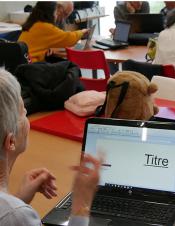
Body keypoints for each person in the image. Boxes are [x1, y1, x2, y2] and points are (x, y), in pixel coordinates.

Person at [0, 69, 101, 225]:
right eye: (23, 112)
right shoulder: (17, 217)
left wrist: (19, 199)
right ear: (11, 142)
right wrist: (82, 202)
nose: (27, 113)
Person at [19, 1, 88, 62]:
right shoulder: (44, 27)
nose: (56, 15)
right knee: (69, 67)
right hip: (31, 65)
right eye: (55, 13)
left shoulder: (34, 23)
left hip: (24, 62)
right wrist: (82, 32)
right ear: (49, 13)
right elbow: (68, 38)